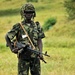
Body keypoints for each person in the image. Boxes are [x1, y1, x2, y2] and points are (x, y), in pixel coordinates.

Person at [5, 3, 45, 75]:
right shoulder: (19, 26)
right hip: (23, 56)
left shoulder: (37, 25)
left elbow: (39, 40)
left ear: (33, 13)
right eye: (27, 12)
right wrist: (12, 49)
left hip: (35, 56)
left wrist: (40, 52)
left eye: (31, 12)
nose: (29, 14)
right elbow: (7, 36)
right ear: (23, 13)